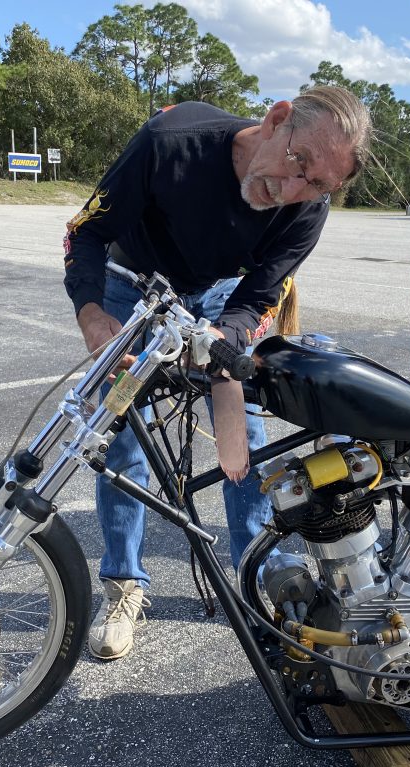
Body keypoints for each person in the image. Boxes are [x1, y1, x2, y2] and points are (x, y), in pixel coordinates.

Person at [63, 86, 371, 660]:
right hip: (131, 284)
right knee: (125, 435)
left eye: (319, 186)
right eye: (299, 163)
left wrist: (218, 346)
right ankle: (125, 584)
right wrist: (92, 315)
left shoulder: (308, 208)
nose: (293, 190)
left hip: (222, 296)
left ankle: (261, 580)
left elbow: (256, 296)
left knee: (242, 434)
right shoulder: (169, 143)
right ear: (277, 120)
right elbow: (86, 232)